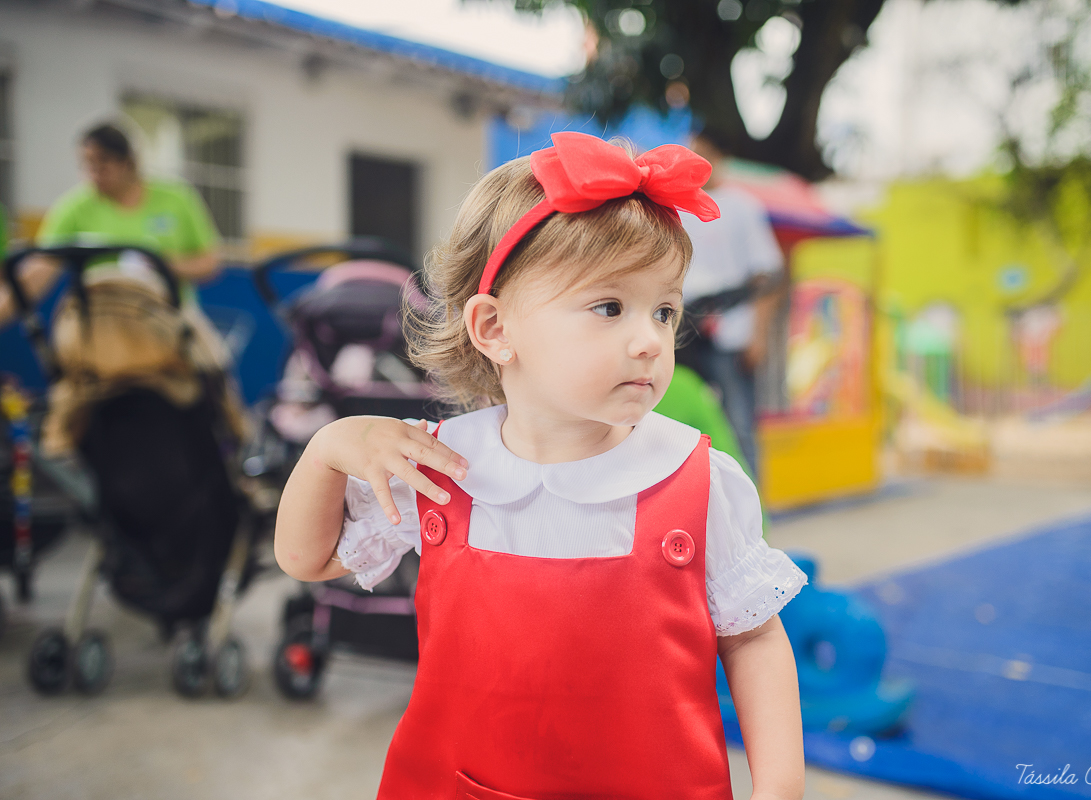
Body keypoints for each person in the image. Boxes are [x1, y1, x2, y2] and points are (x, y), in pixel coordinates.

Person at [274, 132, 807, 800]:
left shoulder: (697, 481)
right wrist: (327, 450)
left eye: (665, 310)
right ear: (495, 329)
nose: (650, 340)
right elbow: (307, 559)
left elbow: (753, 640)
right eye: (609, 306)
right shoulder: (439, 465)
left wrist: (780, 786)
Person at [0, 122, 223, 327]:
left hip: (169, 313)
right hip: (98, 318)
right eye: (88, 165)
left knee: (213, 364)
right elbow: (39, 270)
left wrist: (164, 265)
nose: (94, 174)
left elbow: (210, 263)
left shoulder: (177, 198)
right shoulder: (74, 207)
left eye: (103, 163)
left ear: (128, 162)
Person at [680, 131, 787, 479]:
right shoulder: (677, 206)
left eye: (703, 153)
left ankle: (752, 514)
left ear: (719, 156)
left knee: (740, 424)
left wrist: (759, 335)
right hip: (684, 331)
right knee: (682, 420)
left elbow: (768, 276)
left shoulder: (741, 206)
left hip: (732, 330)